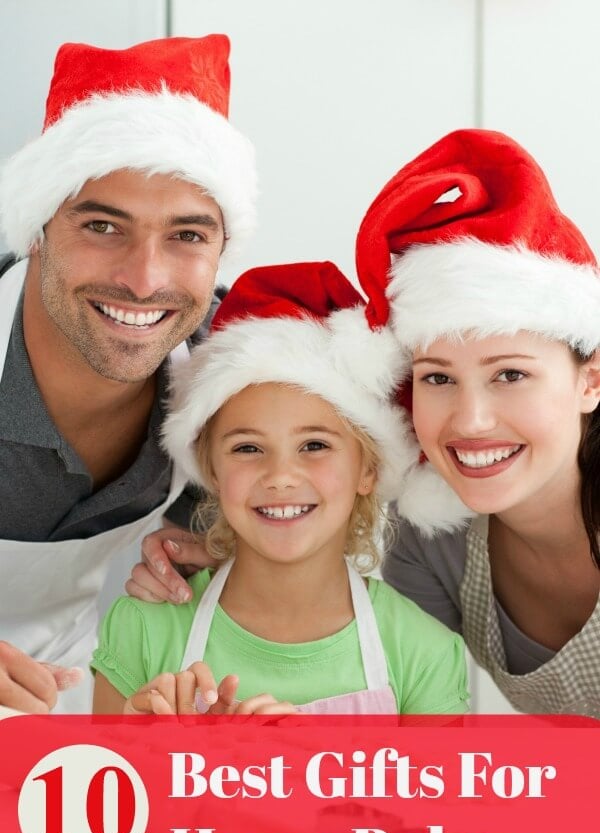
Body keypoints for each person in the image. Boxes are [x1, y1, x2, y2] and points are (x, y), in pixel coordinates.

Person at [0, 35, 256, 713]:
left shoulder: (230, 369)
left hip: (71, 713)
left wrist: (233, 547)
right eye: (103, 227)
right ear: (37, 228)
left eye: (187, 235)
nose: (144, 280)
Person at [91, 261, 469, 715]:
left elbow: (437, 788)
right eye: (248, 448)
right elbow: (96, 784)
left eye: (314, 445)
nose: (281, 476)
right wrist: (144, 745)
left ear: (367, 469)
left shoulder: (424, 652)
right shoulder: (143, 629)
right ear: (210, 469)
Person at [354, 128, 600, 716]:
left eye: (510, 375)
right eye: (438, 378)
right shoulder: (432, 540)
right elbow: (408, 726)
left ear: (590, 381)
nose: (471, 419)